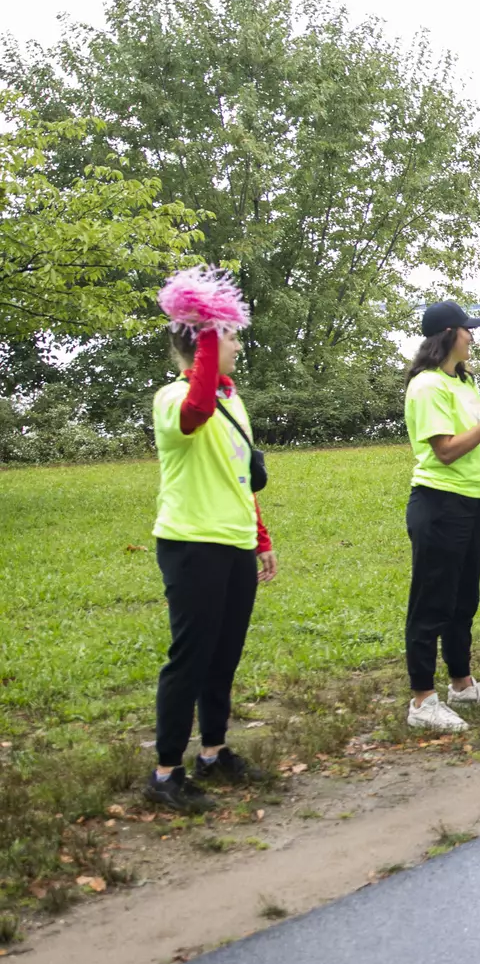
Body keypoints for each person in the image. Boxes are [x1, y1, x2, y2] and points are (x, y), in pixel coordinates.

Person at [146, 268, 278, 812]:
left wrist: (261, 536)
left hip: (234, 543)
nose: (238, 345)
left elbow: (241, 477)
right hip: (191, 544)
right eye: (230, 335)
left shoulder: (233, 401)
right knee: (191, 658)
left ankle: (214, 752)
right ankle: (165, 772)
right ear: (203, 342)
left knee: (223, 656)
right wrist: (205, 326)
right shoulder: (172, 400)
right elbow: (195, 411)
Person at [402, 301, 480, 732]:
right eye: (467, 329)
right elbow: (447, 451)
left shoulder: (463, 383)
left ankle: (462, 684)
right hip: (439, 503)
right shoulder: (427, 386)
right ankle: (422, 701)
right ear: (447, 335)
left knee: (462, 601)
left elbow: (476, 446)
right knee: (431, 604)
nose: (473, 335)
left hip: (473, 502)